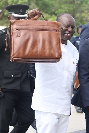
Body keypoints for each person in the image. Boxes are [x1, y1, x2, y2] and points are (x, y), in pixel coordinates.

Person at [31, 13, 79, 133]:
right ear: (57, 25)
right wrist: (30, 21)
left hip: (64, 106)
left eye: (72, 27)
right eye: (66, 26)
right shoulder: (44, 43)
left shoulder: (74, 50)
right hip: (46, 106)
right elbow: (26, 38)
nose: (70, 30)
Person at [0, 4, 35, 133]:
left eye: (23, 19)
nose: (21, 22)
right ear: (10, 18)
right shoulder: (2, 36)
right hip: (6, 87)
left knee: (28, 118)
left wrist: (32, 21)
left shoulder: (28, 36)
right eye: (17, 19)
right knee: (2, 124)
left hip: (24, 86)